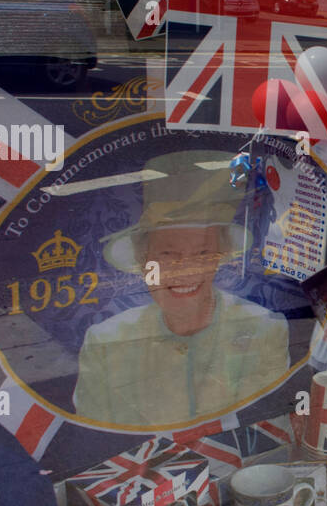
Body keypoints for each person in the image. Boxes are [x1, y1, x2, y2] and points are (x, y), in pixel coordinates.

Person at [73, 152, 290, 427]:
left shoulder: (265, 329)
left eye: (202, 253)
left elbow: (268, 426)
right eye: (168, 254)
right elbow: (95, 441)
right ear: (143, 260)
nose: (186, 270)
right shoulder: (104, 343)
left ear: (219, 258)